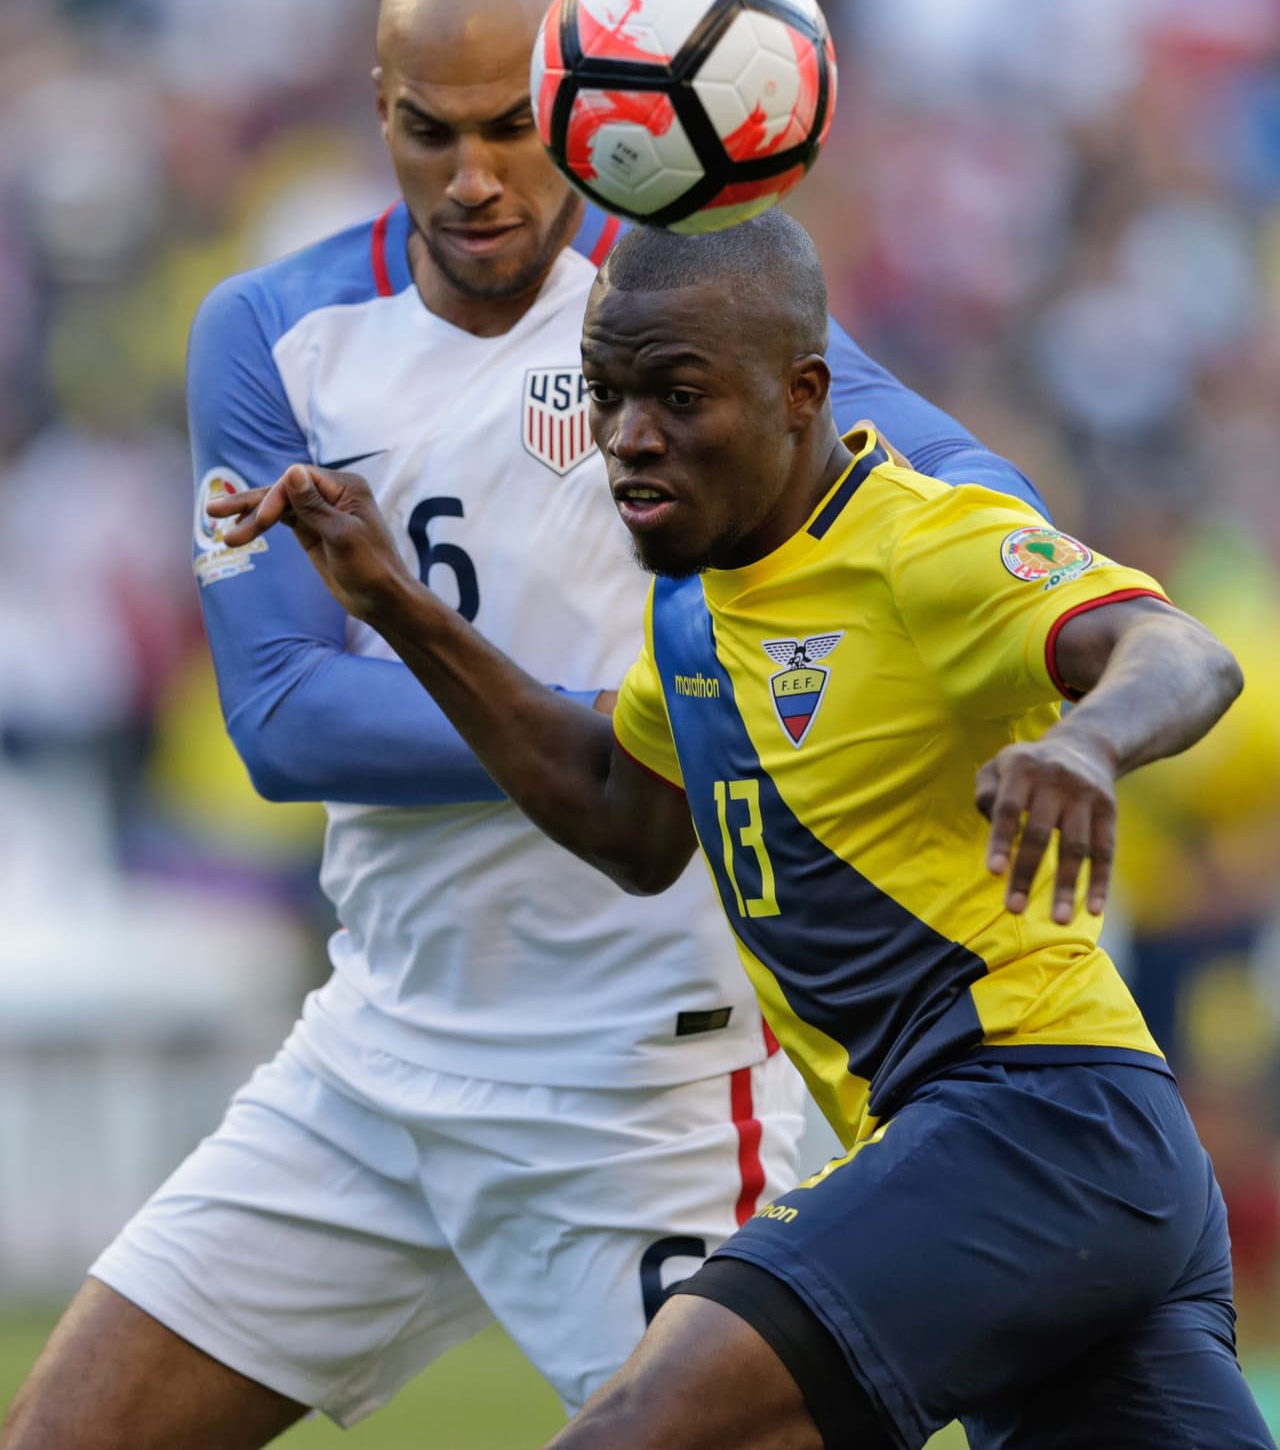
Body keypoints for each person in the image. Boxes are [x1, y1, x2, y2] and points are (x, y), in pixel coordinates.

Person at [1, 0, 1046, 1450]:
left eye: (512, 126)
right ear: (379, 109)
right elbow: (285, 715)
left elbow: (968, 485)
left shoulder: (682, 300)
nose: (476, 175)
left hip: (646, 1072)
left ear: (578, 106)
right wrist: (628, 726)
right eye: (433, 127)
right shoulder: (271, 329)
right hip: (375, 1049)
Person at [207, 210, 1272, 1450]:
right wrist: (394, 600)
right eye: (604, 397)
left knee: (639, 1434)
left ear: (798, 393)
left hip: (1035, 1115)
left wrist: (1085, 743)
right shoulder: (689, 609)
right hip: (1031, 1166)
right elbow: (625, 819)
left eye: (676, 396)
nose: (627, 439)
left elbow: (1178, 649)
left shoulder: (916, 541)